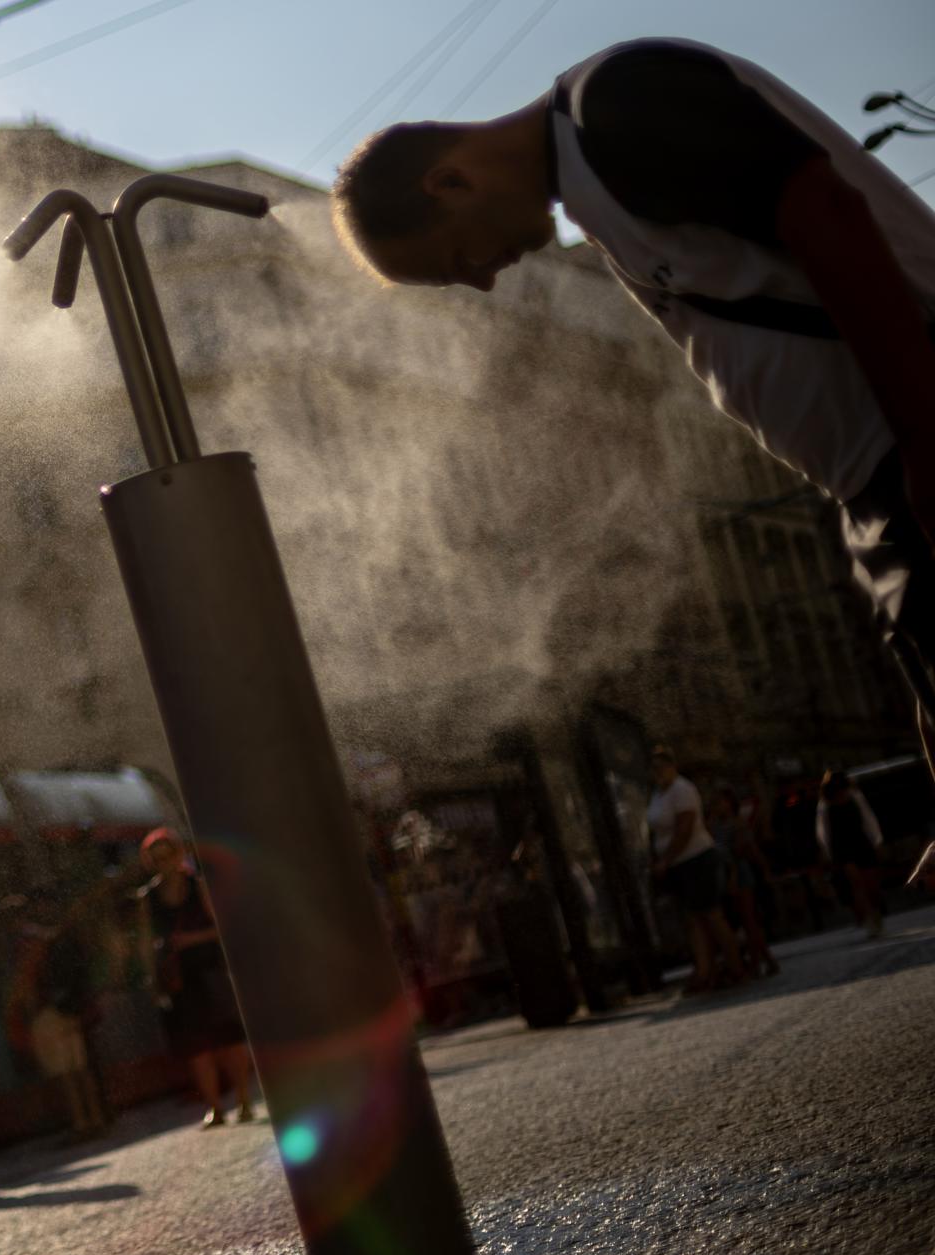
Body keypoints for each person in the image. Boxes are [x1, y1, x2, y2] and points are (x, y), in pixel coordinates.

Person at [329, 40, 935, 817]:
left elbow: (828, 215)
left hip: (905, 448)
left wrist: (921, 440)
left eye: (458, 258)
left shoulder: (614, 108)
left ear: (450, 179)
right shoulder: (595, 184)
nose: (483, 279)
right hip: (880, 477)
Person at [138, 829, 256, 1129]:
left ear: (179, 854)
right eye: (157, 857)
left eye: (168, 854)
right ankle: (214, 1106)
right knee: (196, 1046)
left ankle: (243, 1099)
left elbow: (223, 927)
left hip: (209, 969)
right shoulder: (147, 898)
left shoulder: (198, 886)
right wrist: (152, 977)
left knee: (228, 1038)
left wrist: (192, 939)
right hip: (179, 978)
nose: (164, 862)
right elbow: (144, 942)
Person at [1, 894, 108, 1143]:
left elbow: (25, 983)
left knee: (65, 1072)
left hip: (46, 1012)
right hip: (69, 1006)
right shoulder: (50, 935)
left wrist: (27, 1013)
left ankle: (82, 1122)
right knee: (80, 1067)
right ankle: (97, 1117)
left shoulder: (23, 943)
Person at [644, 750, 744, 994]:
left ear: (672, 766)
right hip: (680, 865)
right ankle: (705, 972)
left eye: (661, 767)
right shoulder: (659, 793)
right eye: (653, 768)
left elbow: (685, 827)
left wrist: (666, 859)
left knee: (711, 915)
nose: (657, 772)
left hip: (697, 859)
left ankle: (735, 967)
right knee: (694, 920)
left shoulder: (681, 789)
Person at [709, 785, 780, 978]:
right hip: (725, 874)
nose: (717, 806)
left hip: (739, 873)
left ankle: (759, 962)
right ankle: (765, 960)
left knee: (749, 921)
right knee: (744, 922)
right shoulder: (713, 825)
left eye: (720, 802)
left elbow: (746, 851)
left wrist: (764, 870)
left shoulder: (737, 824)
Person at [816, 770, 888, 938]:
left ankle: (876, 914)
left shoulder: (854, 797)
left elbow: (867, 818)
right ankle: (869, 919)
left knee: (871, 885)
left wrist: (876, 840)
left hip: (860, 842)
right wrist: (828, 852)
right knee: (857, 884)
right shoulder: (825, 804)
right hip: (842, 848)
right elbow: (823, 830)